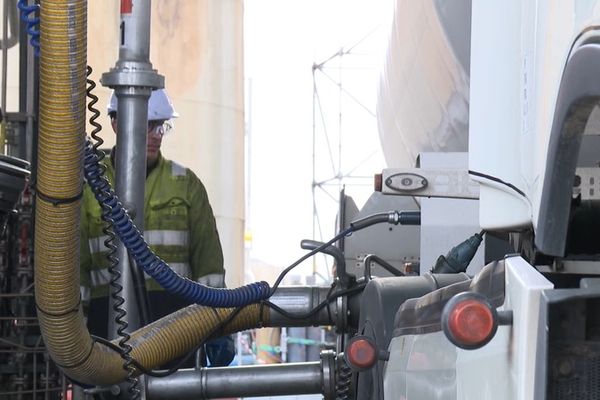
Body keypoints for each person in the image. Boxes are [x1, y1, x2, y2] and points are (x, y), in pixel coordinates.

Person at [80, 88, 235, 369]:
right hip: (105, 328)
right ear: (116, 123)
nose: (157, 135)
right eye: (150, 125)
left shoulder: (185, 184)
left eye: (162, 126)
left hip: (176, 325)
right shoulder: (90, 184)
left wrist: (218, 326)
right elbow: (76, 267)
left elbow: (209, 266)